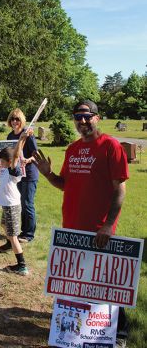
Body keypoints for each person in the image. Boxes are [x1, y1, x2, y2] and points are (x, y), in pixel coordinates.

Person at [33, 99, 129, 348]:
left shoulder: (110, 146)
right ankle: (80, 328)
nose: (83, 121)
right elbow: (65, 184)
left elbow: (119, 188)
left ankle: (119, 335)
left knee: (105, 283)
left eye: (88, 116)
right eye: (78, 117)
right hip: (72, 227)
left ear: (97, 118)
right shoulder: (73, 149)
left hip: (99, 228)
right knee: (78, 282)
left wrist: (108, 225)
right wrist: (48, 175)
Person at [0, 130, 33, 276]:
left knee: (13, 236)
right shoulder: (6, 170)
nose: (0, 162)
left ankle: (22, 266)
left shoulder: (14, 171)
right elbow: (16, 154)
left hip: (12, 206)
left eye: (2, 160)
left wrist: (21, 139)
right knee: (4, 225)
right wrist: (22, 139)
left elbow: (16, 155)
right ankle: (9, 244)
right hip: (6, 205)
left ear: (9, 161)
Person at [5, 108, 39, 246]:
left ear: (22, 120)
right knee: (19, 203)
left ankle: (29, 234)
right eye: (12, 119)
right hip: (17, 175)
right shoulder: (9, 136)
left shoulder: (28, 135)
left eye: (17, 119)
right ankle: (22, 231)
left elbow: (35, 154)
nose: (14, 121)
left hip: (30, 174)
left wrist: (28, 160)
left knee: (28, 204)